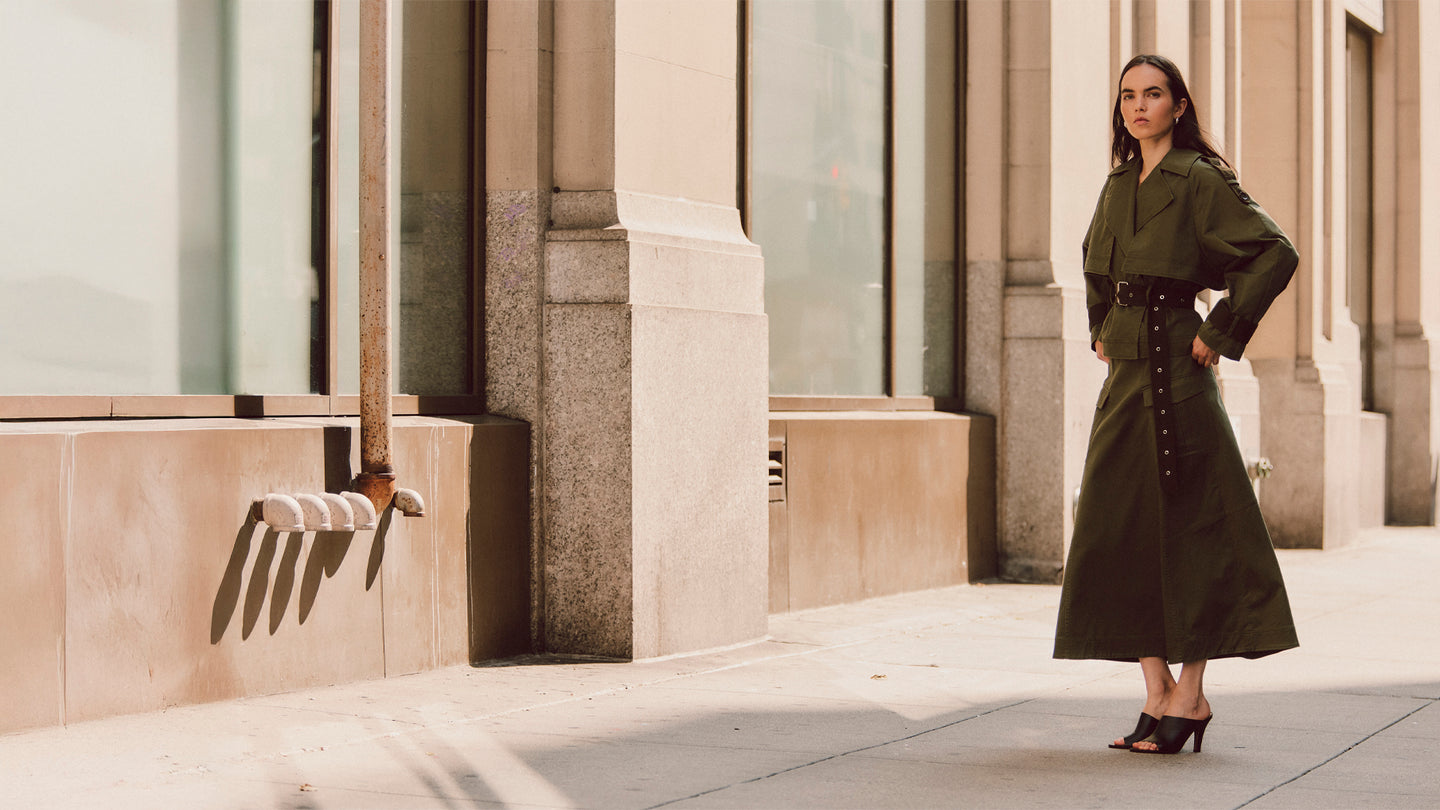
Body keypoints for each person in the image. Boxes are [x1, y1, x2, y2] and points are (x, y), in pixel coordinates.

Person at [1052, 54, 1300, 755]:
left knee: (1196, 525)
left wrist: (1220, 333)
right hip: (1125, 375)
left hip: (1179, 375)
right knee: (1113, 525)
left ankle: (1190, 694)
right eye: (1128, 95)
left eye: (1153, 94)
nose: (1139, 106)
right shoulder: (1116, 184)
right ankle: (1157, 689)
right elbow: (1094, 261)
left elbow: (1274, 252)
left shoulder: (1199, 180)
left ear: (1178, 106)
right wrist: (1100, 325)